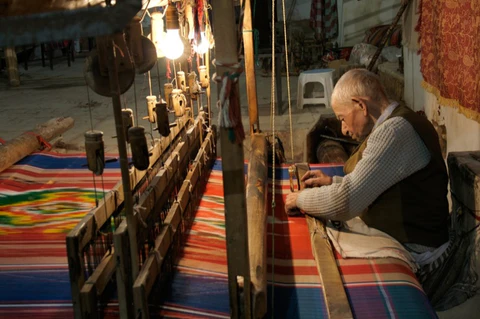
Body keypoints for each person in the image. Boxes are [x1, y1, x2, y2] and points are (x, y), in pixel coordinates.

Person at [285, 68, 467, 309]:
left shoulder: (394, 132)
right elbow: (381, 181)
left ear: (360, 105)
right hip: (410, 238)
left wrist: (300, 198)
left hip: (419, 253)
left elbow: (345, 202)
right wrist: (333, 182)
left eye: (342, 118)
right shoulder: (397, 123)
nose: (343, 130)